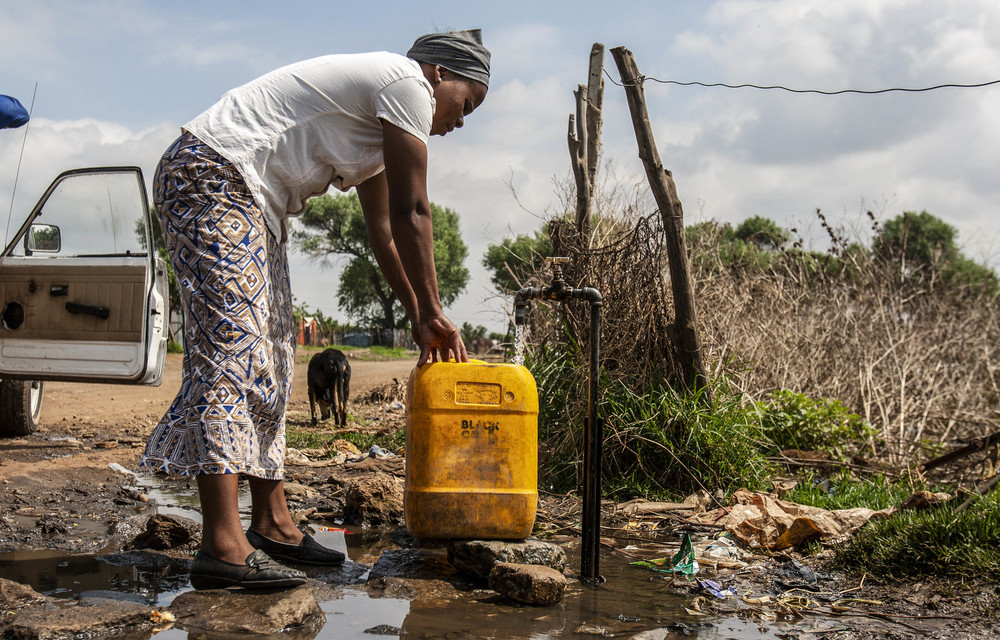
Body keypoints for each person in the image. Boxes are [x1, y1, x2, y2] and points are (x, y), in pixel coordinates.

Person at [140, 29, 489, 590]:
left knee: (275, 358)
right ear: (439, 74)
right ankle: (222, 548)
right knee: (232, 356)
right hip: (211, 175)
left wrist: (422, 315)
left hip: (252, 202)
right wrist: (433, 307)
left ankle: (274, 523)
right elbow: (413, 211)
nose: (462, 120)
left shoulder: (383, 126)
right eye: (467, 103)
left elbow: (384, 234)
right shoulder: (407, 85)